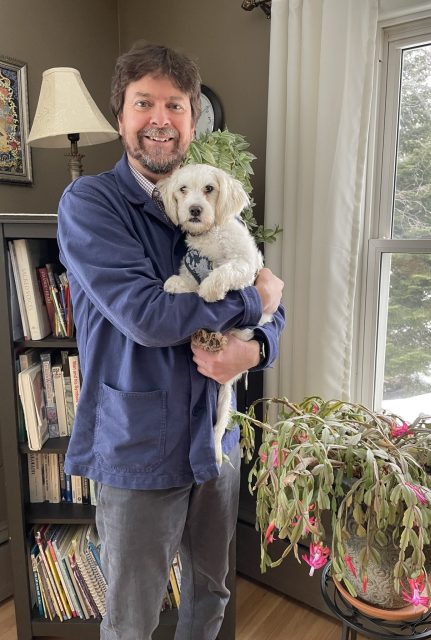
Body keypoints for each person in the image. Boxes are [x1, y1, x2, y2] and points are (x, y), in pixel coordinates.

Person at [57, 41, 285, 640]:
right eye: (145, 103)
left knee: (210, 597)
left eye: (177, 105)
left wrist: (254, 348)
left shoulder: (216, 201)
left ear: (191, 119)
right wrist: (248, 303)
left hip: (214, 441)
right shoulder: (91, 204)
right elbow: (149, 316)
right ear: (120, 116)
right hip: (139, 448)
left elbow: (271, 297)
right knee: (132, 617)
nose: (161, 118)